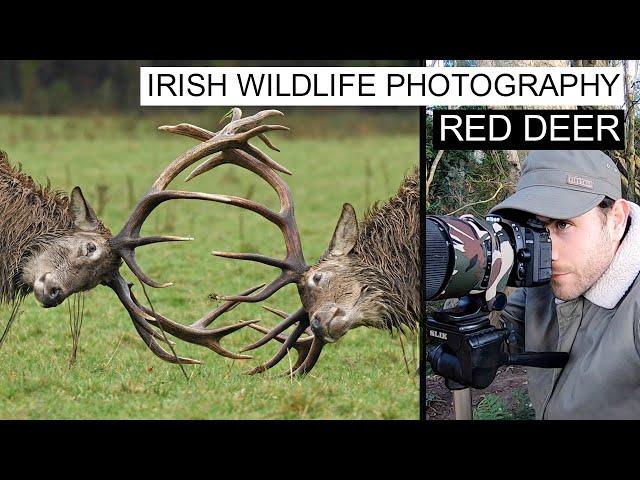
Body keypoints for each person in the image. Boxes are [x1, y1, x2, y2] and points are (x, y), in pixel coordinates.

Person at [490, 150, 640, 420]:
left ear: (616, 218)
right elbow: (508, 330)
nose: (549, 252)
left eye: (563, 224)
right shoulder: (544, 280)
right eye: (538, 228)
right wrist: (475, 286)